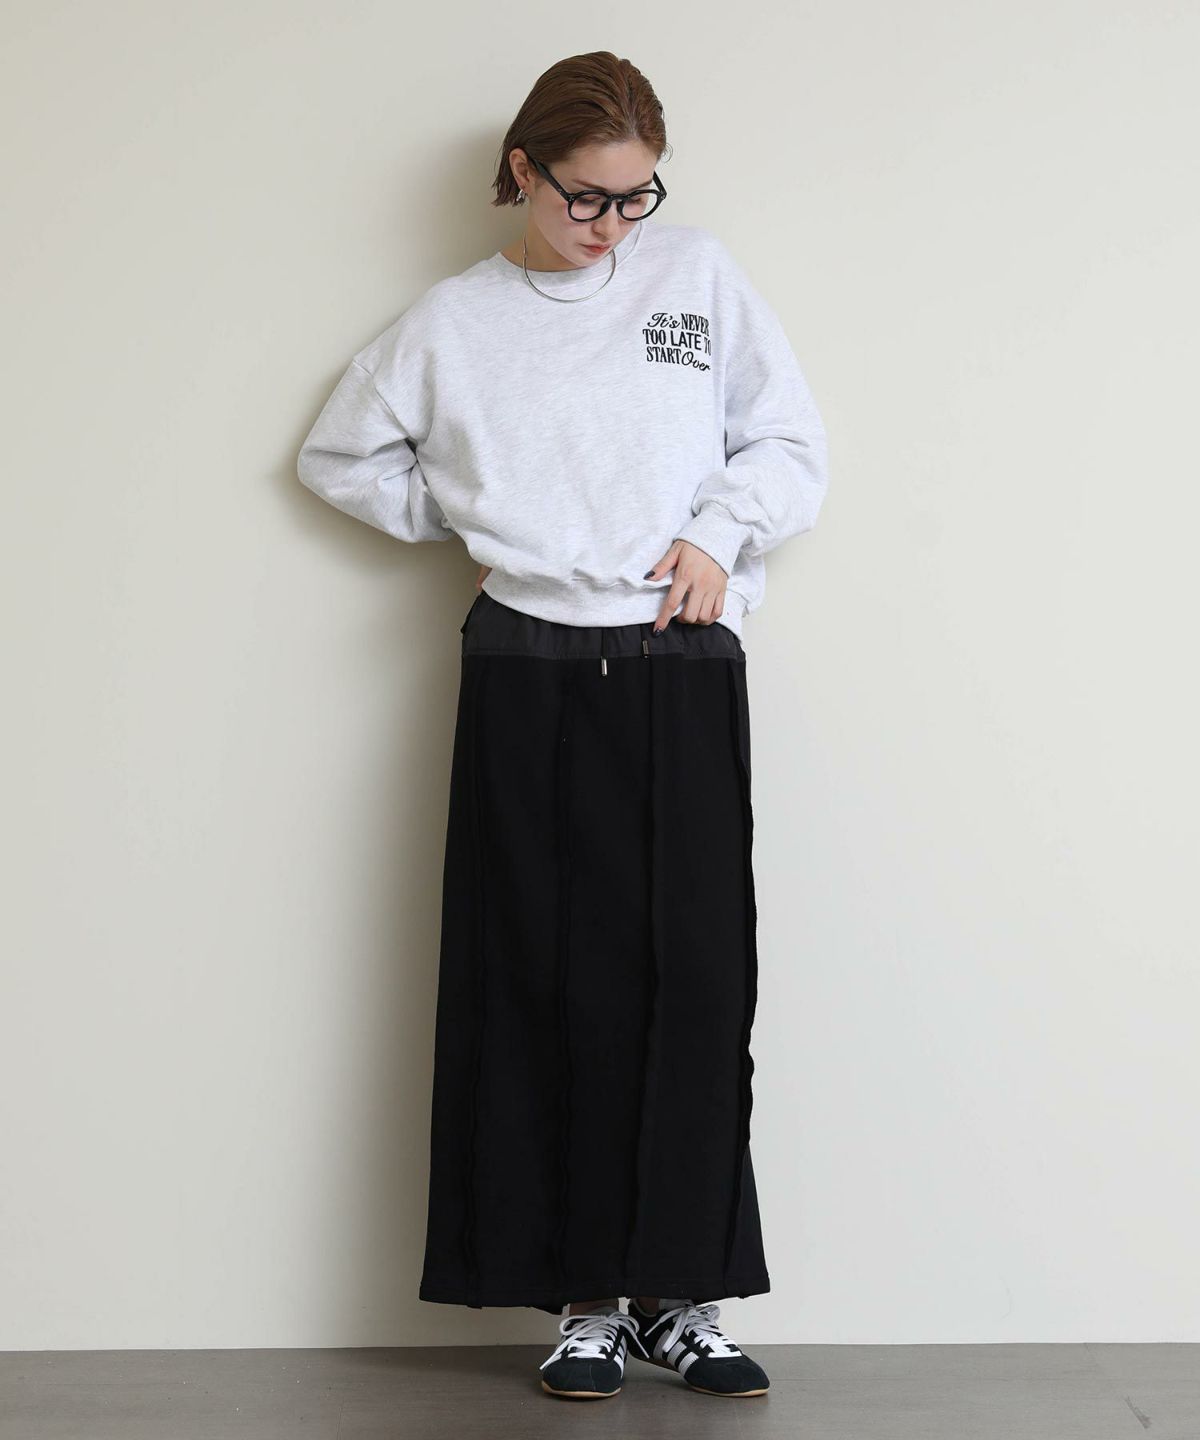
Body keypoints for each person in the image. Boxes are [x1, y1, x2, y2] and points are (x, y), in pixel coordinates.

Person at [296, 50, 829, 1403]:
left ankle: (683, 1298)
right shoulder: (454, 322)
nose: (611, 224)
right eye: (587, 196)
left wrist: (720, 532)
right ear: (523, 172)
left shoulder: (695, 279)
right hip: (527, 659)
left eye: (637, 196)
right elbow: (338, 456)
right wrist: (484, 524)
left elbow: (788, 443)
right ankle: (585, 1303)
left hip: (676, 650)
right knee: (537, 983)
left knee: (695, 982)